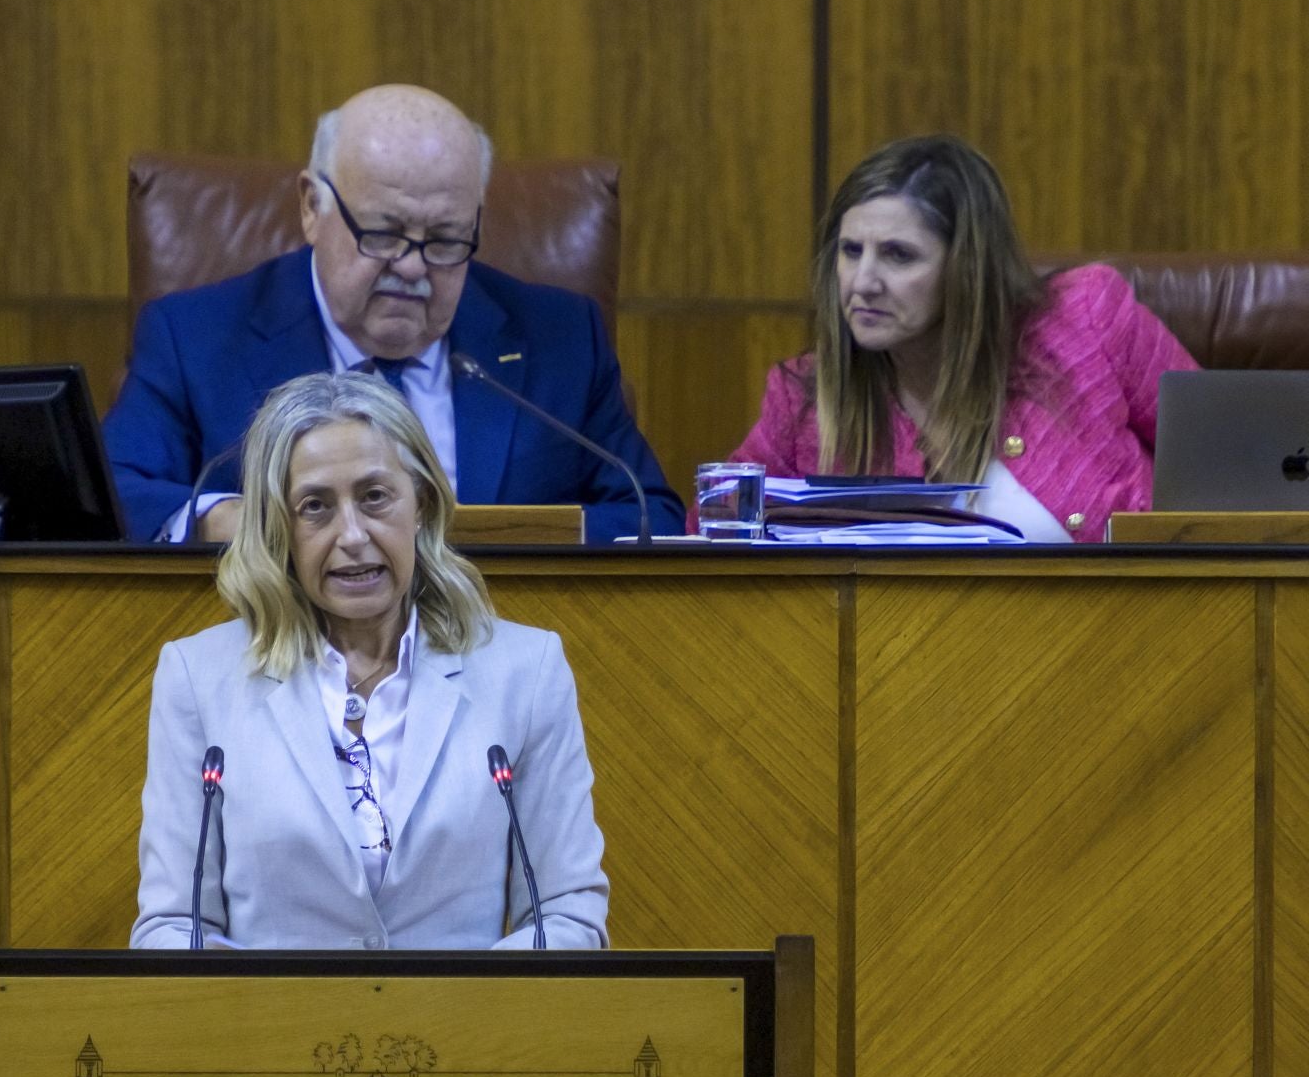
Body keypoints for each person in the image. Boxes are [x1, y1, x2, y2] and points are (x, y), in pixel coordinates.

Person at [130, 371, 610, 950]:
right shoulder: (199, 678)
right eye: (315, 507)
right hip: (271, 1036)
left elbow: (565, 917)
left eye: (375, 497)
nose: (352, 535)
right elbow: (174, 927)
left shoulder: (524, 671)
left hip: (467, 1035)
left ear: (422, 505)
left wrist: (454, 1016)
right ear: (276, 527)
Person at [104, 84, 681, 546]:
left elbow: (648, 511)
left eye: (446, 239)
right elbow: (118, 492)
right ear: (312, 207)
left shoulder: (561, 338)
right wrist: (229, 520)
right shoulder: (196, 336)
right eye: (383, 234)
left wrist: (526, 539)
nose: (411, 267)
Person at [724, 134, 1197, 542]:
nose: (862, 282)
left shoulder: (1085, 319)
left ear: (966, 268)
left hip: (1131, 633)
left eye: (898, 256)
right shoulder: (807, 396)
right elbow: (716, 526)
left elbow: (1227, 467)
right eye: (851, 251)